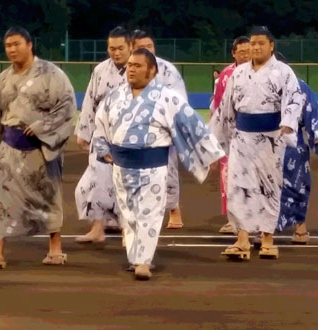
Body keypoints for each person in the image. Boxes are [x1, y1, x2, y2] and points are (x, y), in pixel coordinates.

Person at [93, 48, 224, 280]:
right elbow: (101, 125)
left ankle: (144, 261)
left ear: (152, 70)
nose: (131, 70)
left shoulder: (167, 97)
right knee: (129, 215)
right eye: (130, 65)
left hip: (152, 166)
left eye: (138, 66)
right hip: (121, 166)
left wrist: (209, 152)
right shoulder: (114, 96)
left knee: (149, 214)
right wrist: (103, 149)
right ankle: (135, 258)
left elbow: (192, 123)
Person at [0, 26, 75, 269]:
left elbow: (67, 106)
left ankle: (55, 248)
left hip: (41, 149)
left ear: (29, 45)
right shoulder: (3, 79)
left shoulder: (52, 74)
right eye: (8, 45)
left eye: (16, 44)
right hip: (9, 148)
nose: (11, 49)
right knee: (2, 198)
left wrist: (43, 126)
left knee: (48, 197)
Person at [210, 26, 302, 261]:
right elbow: (225, 108)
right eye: (253, 43)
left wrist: (288, 122)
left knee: (269, 187)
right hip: (242, 138)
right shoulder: (238, 73)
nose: (256, 47)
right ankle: (242, 239)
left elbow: (294, 100)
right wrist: (215, 141)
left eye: (261, 43)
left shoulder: (283, 72)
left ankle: (267, 238)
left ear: (271, 45)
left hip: (271, 137)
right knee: (238, 187)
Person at [74, 26, 131, 243]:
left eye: (120, 48)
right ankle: (98, 229)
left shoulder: (138, 68)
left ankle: (128, 231)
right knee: (96, 183)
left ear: (130, 46)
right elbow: (89, 101)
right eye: (112, 48)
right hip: (101, 135)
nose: (116, 52)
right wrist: (83, 132)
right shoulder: (100, 70)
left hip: (128, 137)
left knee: (126, 184)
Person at [131, 30, 187, 229]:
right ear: (133, 48)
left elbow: (179, 100)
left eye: (150, 46)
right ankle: (137, 215)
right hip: (134, 129)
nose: (148, 50)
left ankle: (173, 209)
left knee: (168, 170)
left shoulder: (167, 69)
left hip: (163, 127)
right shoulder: (129, 69)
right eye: (142, 47)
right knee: (133, 172)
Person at [210, 36, 251, 233]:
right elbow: (218, 106)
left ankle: (252, 218)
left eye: (248, 51)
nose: (245, 55)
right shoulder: (225, 75)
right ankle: (232, 218)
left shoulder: (259, 72)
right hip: (229, 134)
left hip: (251, 134)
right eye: (241, 52)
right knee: (227, 176)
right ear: (234, 53)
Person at [277, 78, 318, 242]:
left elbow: (312, 111)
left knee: (298, 186)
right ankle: (265, 231)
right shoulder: (258, 82)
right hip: (264, 142)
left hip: (293, 142)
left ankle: (300, 227)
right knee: (263, 187)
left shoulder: (299, 85)